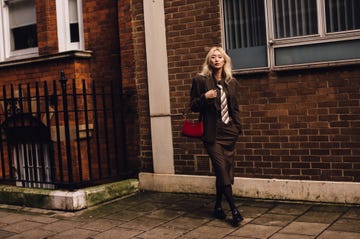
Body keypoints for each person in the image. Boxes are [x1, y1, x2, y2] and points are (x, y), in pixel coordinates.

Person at [190, 46, 243, 226]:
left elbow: (234, 108)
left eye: (220, 57)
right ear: (209, 61)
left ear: (225, 61)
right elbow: (193, 106)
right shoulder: (200, 80)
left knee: (225, 172)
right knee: (221, 170)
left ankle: (218, 206)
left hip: (229, 132)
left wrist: (237, 128)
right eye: (213, 57)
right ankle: (234, 210)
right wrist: (205, 96)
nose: (217, 60)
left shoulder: (231, 82)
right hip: (212, 134)